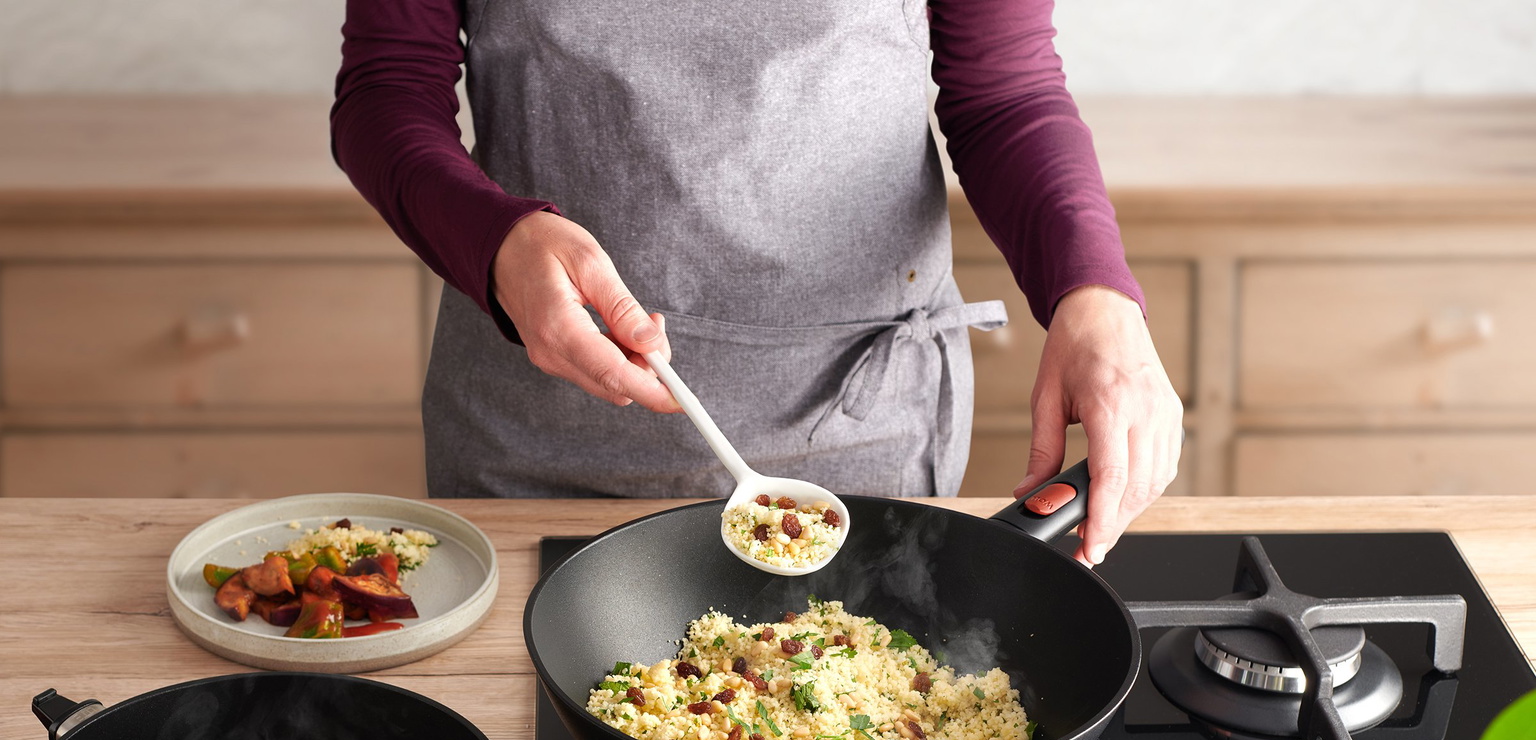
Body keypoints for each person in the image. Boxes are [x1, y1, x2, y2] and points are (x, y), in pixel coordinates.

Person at [333, 0, 1181, 564]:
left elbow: (1004, 93)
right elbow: (386, 88)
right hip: (533, 441)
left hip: (859, 438)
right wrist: (497, 242)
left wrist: (1093, 292)